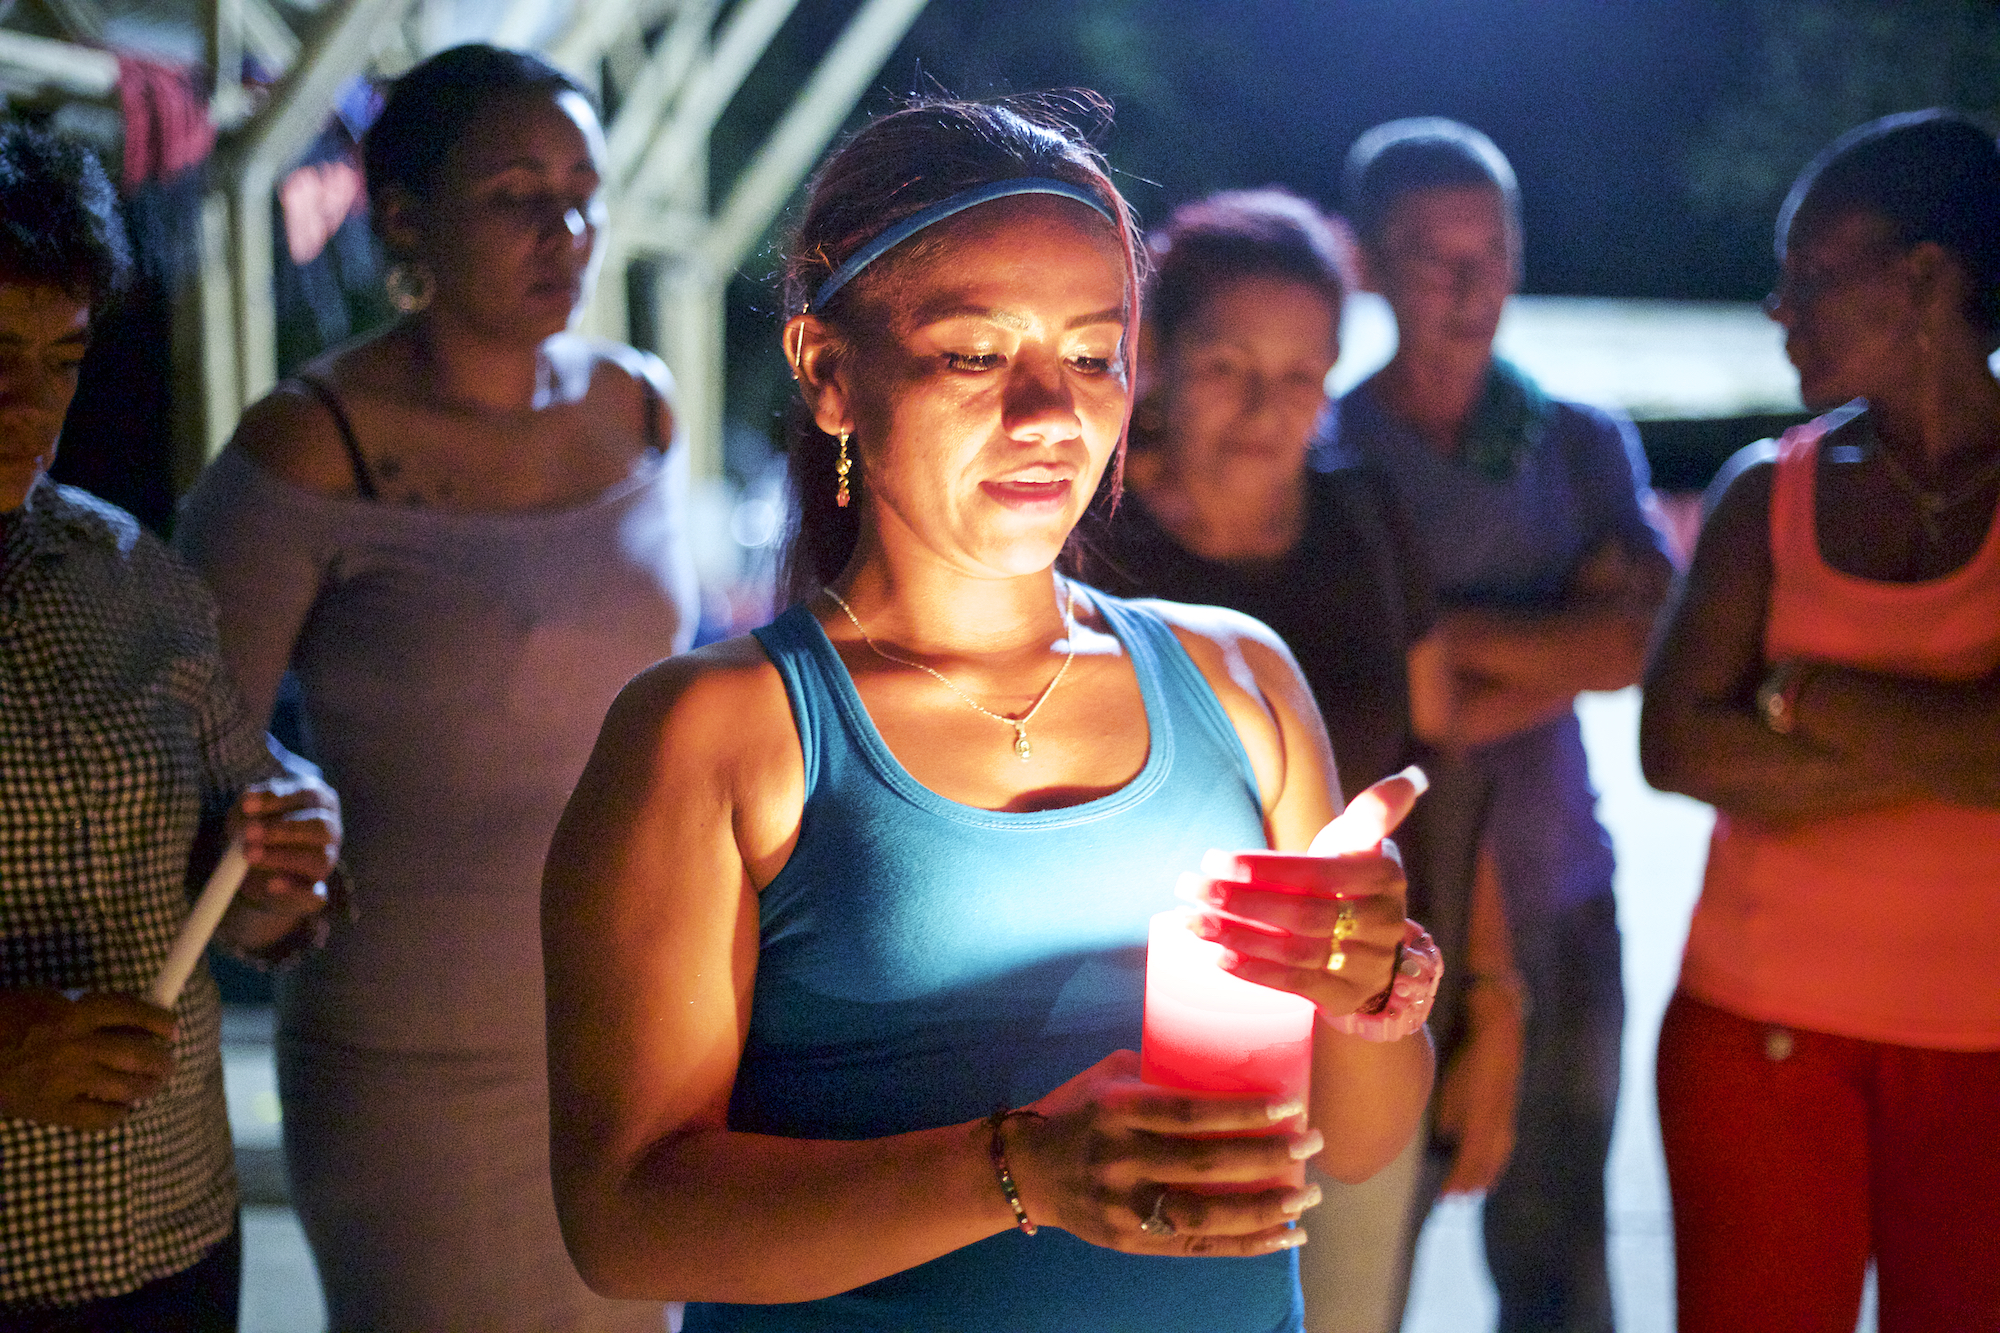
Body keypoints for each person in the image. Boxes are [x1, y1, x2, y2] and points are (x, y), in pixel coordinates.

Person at [541, 96, 1440, 1333]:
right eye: (974, 355)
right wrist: (1018, 1171)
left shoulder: (1241, 681)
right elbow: (623, 1218)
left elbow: (1356, 1141)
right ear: (826, 372)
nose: (1047, 415)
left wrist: (1364, 983)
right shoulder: (719, 732)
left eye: (1090, 355)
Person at [173, 45, 696, 1332]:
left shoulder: (641, 408)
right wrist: (265, 829)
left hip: (648, 1018)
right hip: (417, 1044)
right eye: (519, 195)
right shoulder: (315, 440)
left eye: (584, 190)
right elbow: (185, 739)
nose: (566, 229)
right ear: (405, 216)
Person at [1091, 187, 1525, 1333]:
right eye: (1228, 364)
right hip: (1141, 1059)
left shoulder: (1364, 524)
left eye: (1299, 374)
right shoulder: (1091, 544)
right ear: (1156, 358)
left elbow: (1442, 773)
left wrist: (1490, 1005)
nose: (1263, 406)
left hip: (1359, 1030)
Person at [1640, 109, 2000, 1333]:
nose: (1776, 306)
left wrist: (1802, 695)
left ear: (1923, 277)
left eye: (1809, 274)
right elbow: (1675, 746)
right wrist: (1955, 741)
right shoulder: (1763, 493)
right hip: (1754, 1038)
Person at [1323, 118, 1676, 1333]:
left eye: (1492, 248)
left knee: (1557, 1260)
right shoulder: (1330, 452)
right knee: (1355, 1258)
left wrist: (1444, 656)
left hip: (1556, 894)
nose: (1471, 283)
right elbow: (1346, 693)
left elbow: (1641, 644)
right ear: (1366, 263)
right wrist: (1547, 643)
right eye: (1432, 253)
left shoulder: (1575, 441)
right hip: (1380, 919)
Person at [0, 123, 340, 1331]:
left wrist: (279, 862)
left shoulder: (130, 573)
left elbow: (236, 848)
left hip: (170, 1235)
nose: (26, 402)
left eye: (61, 357)